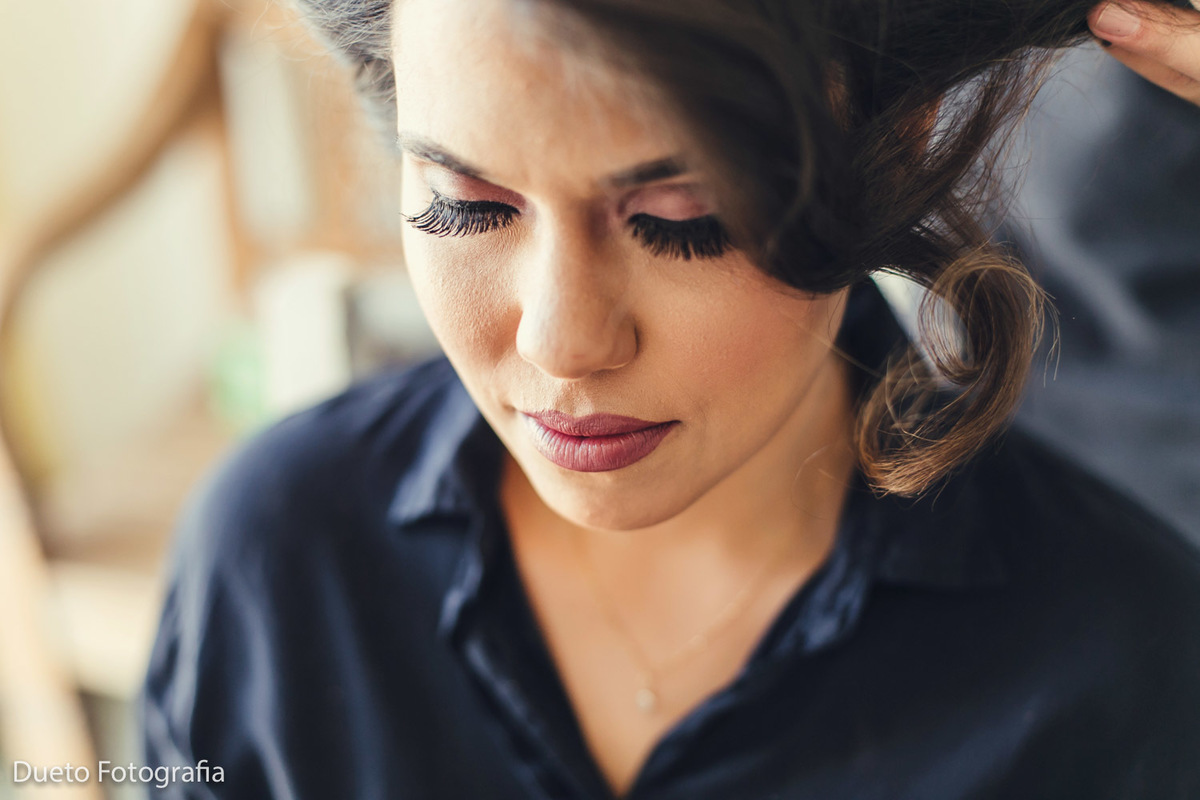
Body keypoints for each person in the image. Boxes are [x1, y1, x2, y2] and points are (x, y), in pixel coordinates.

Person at [140, 0, 1200, 798]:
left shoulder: (1119, 661)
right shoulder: (277, 561)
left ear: (897, 144)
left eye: (686, 216)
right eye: (466, 206)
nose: (564, 338)